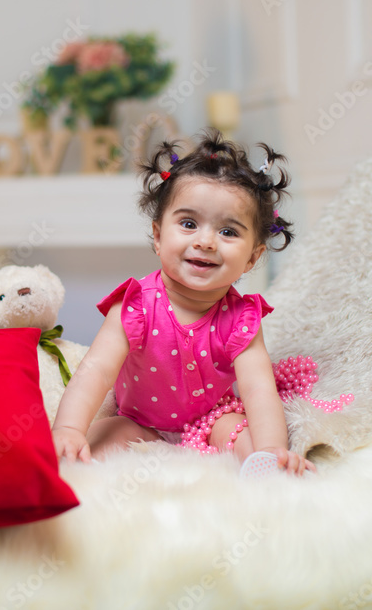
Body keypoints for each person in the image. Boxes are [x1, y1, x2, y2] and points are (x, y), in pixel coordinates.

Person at [51, 129, 316, 476]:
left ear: (252, 257)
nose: (206, 241)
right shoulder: (134, 306)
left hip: (212, 417)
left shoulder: (240, 318)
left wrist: (272, 448)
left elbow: (258, 390)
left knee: (239, 433)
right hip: (139, 418)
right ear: (159, 236)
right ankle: (61, 457)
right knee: (96, 441)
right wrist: (69, 428)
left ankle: (269, 468)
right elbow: (96, 371)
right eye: (189, 224)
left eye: (228, 232)